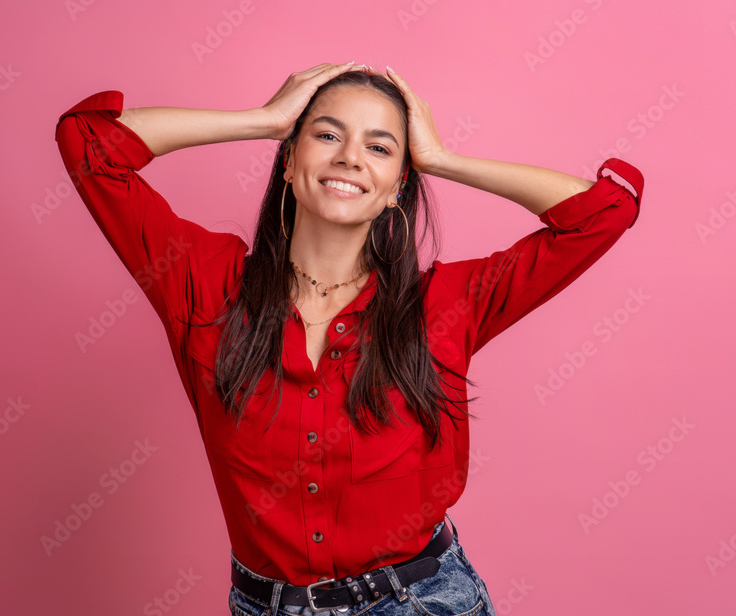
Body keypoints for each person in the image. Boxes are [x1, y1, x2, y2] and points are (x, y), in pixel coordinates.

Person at [54, 62, 643, 616]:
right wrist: (262, 119)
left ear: (397, 187)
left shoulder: (446, 305)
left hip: (422, 600)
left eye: (380, 147)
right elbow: (88, 141)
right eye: (327, 135)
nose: (351, 158)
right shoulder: (202, 285)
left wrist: (440, 158)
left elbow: (604, 212)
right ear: (288, 161)